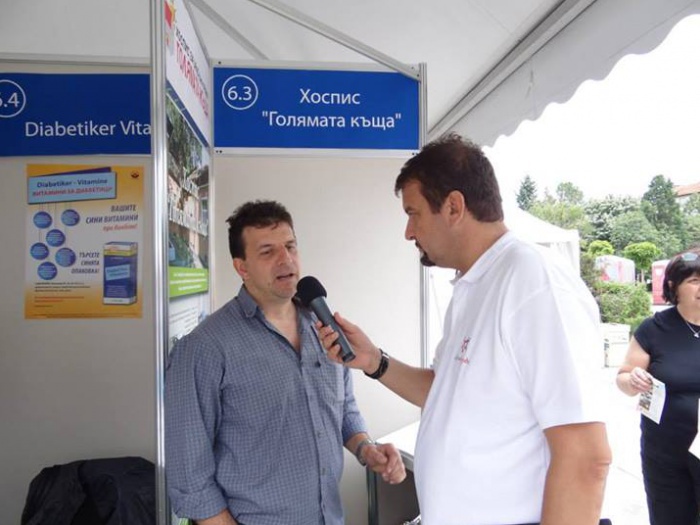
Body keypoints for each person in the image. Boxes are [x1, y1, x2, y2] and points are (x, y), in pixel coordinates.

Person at [318, 133, 612, 525]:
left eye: (414, 213)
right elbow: (445, 392)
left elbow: (585, 456)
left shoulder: (532, 281)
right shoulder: (473, 284)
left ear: (454, 207)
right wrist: (374, 361)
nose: (409, 232)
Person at [164, 200, 406, 525]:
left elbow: (343, 409)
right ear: (242, 267)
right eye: (268, 252)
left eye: (290, 246)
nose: (286, 259)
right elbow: (189, 475)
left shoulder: (323, 325)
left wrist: (367, 449)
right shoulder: (204, 347)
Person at [617, 248, 700, 525]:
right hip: (665, 450)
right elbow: (624, 378)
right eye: (694, 281)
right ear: (674, 286)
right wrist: (633, 380)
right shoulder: (654, 329)